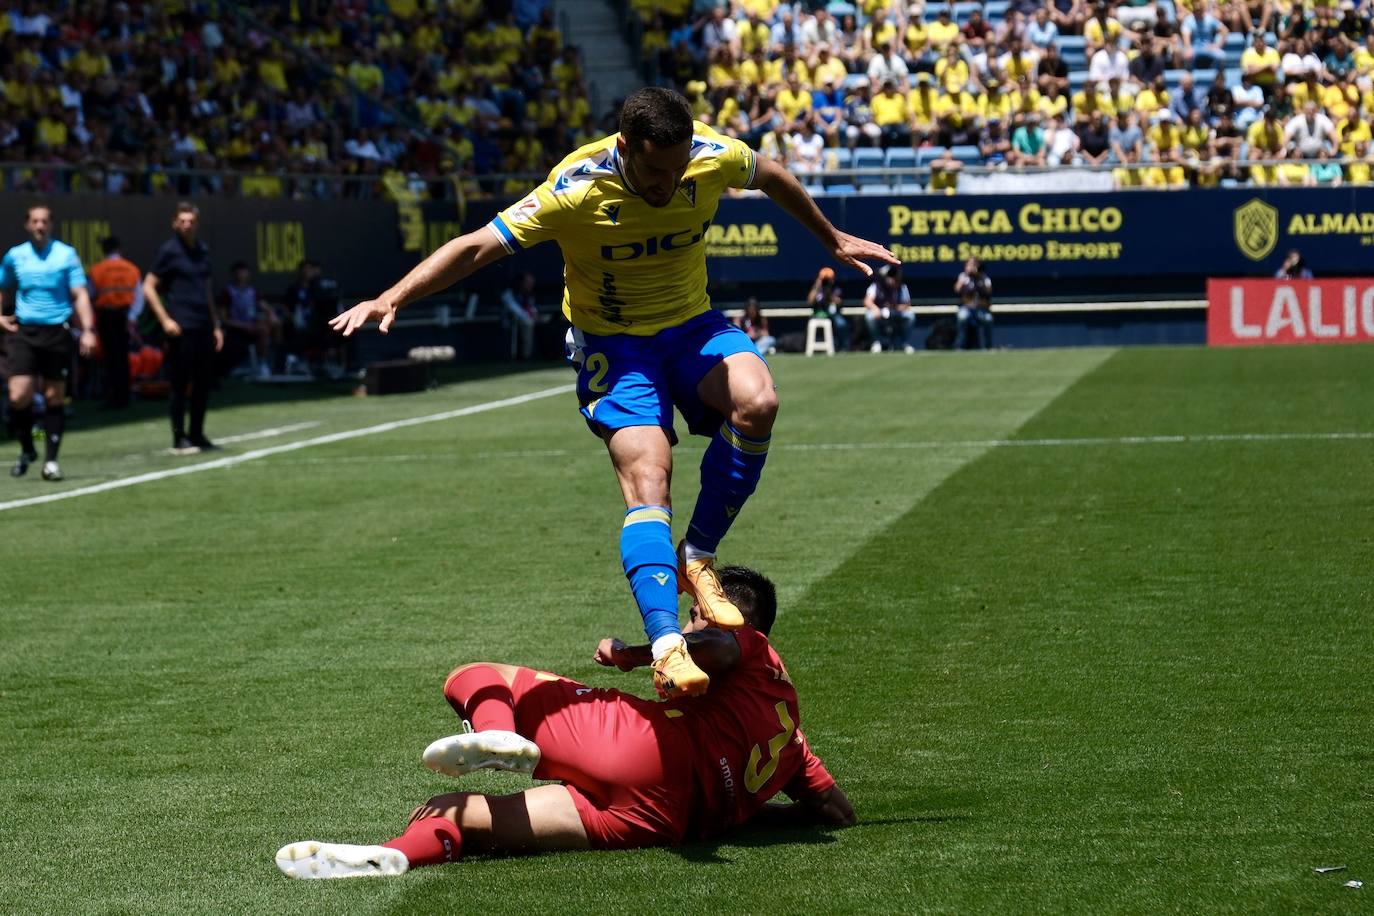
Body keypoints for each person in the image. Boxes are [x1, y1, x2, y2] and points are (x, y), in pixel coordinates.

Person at [330, 87, 897, 699]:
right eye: (656, 170)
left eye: (678, 170)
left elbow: (772, 173)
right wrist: (392, 297)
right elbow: (476, 247)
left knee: (759, 402)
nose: (668, 183)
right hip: (616, 347)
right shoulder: (575, 186)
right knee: (650, 476)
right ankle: (665, 645)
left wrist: (831, 237)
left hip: (691, 325)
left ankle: (698, 557)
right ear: (625, 146)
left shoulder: (709, 154)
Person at [274, 566, 853, 879]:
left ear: (730, 614)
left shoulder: (744, 643)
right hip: (664, 821)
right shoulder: (793, 742)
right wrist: (748, 805)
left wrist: (633, 652)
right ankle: (394, 855)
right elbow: (834, 812)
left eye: (698, 610)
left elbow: (721, 648)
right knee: (457, 813)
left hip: (650, 751)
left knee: (479, 674)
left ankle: (497, 732)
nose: (690, 621)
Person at [0, 203, 96, 481]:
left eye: (44, 221)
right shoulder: (15, 256)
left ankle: (51, 461)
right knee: (19, 396)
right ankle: (28, 449)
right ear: (27, 225)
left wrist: (88, 329)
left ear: (51, 224)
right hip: (26, 332)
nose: (40, 226)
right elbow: (3, 287)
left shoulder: (66, 255)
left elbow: (80, 294)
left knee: (54, 396)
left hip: (57, 331)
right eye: (35, 221)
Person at [143, 202, 223, 454]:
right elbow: (148, 286)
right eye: (183, 221)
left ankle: (197, 433)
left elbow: (207, 290)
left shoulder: (202, 250)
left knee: (202, 383)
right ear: (175, 223)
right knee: (179, 384)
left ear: (197, 223)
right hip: (181, 327)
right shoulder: (169, 251)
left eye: (191, 221)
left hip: (203, 325)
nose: (187, 225)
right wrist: (165, 320)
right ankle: (179, 437)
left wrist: (216, 324)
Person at [88, 235, 141, 409]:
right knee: (123, 357)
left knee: (109, 358)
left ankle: (112, 396)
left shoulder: (97, 269)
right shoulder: (131, 268)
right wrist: (131, 318)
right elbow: (139, 298)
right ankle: (124, 396)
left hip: (106, 316)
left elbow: (89, 295)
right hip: (124, 316)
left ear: (104, 250)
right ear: (119, 248)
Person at [218, 261, 279, 378]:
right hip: (235, 329)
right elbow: (224, 318)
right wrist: (244, 326)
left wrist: (272, 314)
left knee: (269, 327)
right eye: (239, 272)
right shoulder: (228, 292)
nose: (242, 275)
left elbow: (265, 306)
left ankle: (268, 363)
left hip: (253, 327)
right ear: (234, 274)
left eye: (244, 272)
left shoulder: (252, 291)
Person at [863, 264, 915, 354]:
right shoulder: (876, 286)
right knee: (869, 316)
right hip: (880, 312)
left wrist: (895, 307)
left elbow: (906, 304)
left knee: (910, 316)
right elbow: (867, 301)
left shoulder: (901, 287)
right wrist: (875, 309)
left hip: (895, 312)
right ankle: (876, 343)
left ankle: (904, 343)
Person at [807, 266, 850, 352]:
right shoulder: (817, 290)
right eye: (825, 279)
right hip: (818, 314)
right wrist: (817, 285)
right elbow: (810, 301)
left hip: (833, 314)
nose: (826, 281)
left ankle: (845, 347)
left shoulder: (836, 289)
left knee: (841, 323)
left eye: (828, 279)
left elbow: (839, 302)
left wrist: (829, 293)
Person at [954, 258, 994, 350]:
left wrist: (979, 277)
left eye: (974, 265)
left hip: (980, 308)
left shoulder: (983, 277)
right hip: (966, 308)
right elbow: (957, 289)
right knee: (962, 317)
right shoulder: (963, 276)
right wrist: (967, 275)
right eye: (969, 265)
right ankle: (959, 345)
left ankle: (989, 345)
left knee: (988, 318)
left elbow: (989, 291)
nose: (972, 268)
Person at [500, 271, 540, 360]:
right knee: (528, 323)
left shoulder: (528, 295)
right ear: (521, 283)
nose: (530, 285)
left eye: (532, 283)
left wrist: (536, 315)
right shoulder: (508, 294)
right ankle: (526, 356)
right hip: (510, 322)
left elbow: (532, 308)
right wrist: (532, 317)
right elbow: (517, 312)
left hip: (526, 319)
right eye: (528, 283)